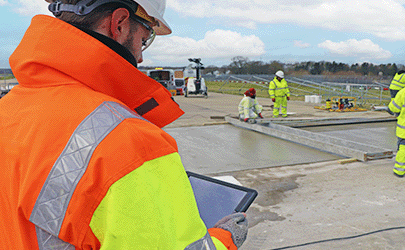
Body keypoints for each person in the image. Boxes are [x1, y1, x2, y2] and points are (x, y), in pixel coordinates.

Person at [0, 0, 248, 249]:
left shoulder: (9, 109)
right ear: (118, 23)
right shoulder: (128, 141)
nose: (140, 56)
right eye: (145, 38)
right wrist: (223, 239)